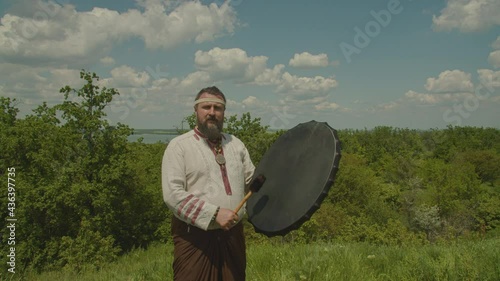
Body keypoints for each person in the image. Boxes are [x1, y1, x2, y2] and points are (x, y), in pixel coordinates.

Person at [162, 86, 255, 280]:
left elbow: (252, 182)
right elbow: (173, 194)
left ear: (223, 113)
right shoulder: (180, 146)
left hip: (232, 235)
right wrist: (214, 214)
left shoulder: (236, 144)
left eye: (217, 108)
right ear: (196, 111)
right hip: (194, 238)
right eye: (206, 107)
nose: (212, 113)